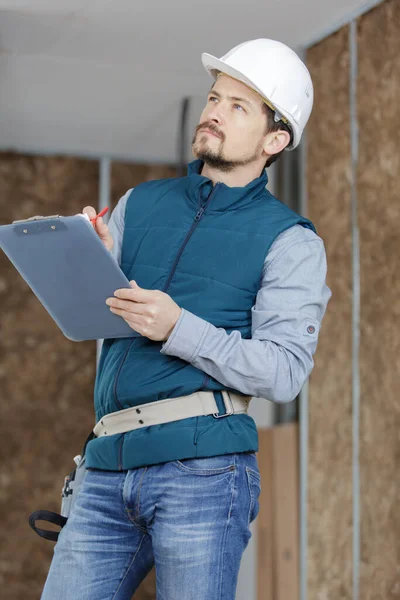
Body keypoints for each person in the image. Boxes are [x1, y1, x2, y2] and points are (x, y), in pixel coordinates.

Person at [41, 38, 331, 600]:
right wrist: (89, 261)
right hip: (105, 463)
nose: (215, 112)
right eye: (215, 97)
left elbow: (286, 372)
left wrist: (179, 328)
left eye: (238, 106)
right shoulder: (140, 203)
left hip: (203, 471)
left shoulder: (290, 240)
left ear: (276, 139)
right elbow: (90, 315)